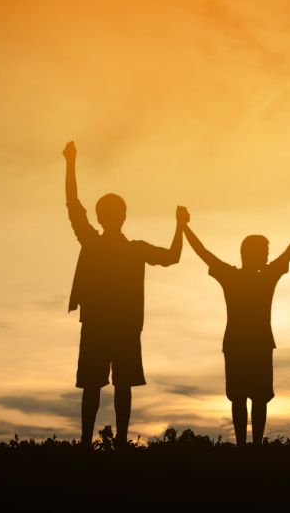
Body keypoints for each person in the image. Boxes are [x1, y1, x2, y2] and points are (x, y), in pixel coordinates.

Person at [62, 140, 187, 448]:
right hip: (115, 324)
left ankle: (95, 441)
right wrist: (180, 226)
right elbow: (173, 255)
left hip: (110, 324)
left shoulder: (108, 244)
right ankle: (113, 442)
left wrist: (70, 162)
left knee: (104, 385)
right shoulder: (128, 249)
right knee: (116, 385)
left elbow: (72, 204)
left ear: (106, 217)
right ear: (121, 216)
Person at [182, 211, 290, 447]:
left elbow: (204, 254)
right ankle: (251, 446)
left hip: (244, 344)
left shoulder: (236, 275)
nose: (268, 256)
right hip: (250, 344)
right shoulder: (260, 275)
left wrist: (184, 227)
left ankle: (247, 446)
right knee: (249, 399)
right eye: (265, 252)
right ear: (253, 254)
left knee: (248, 399)